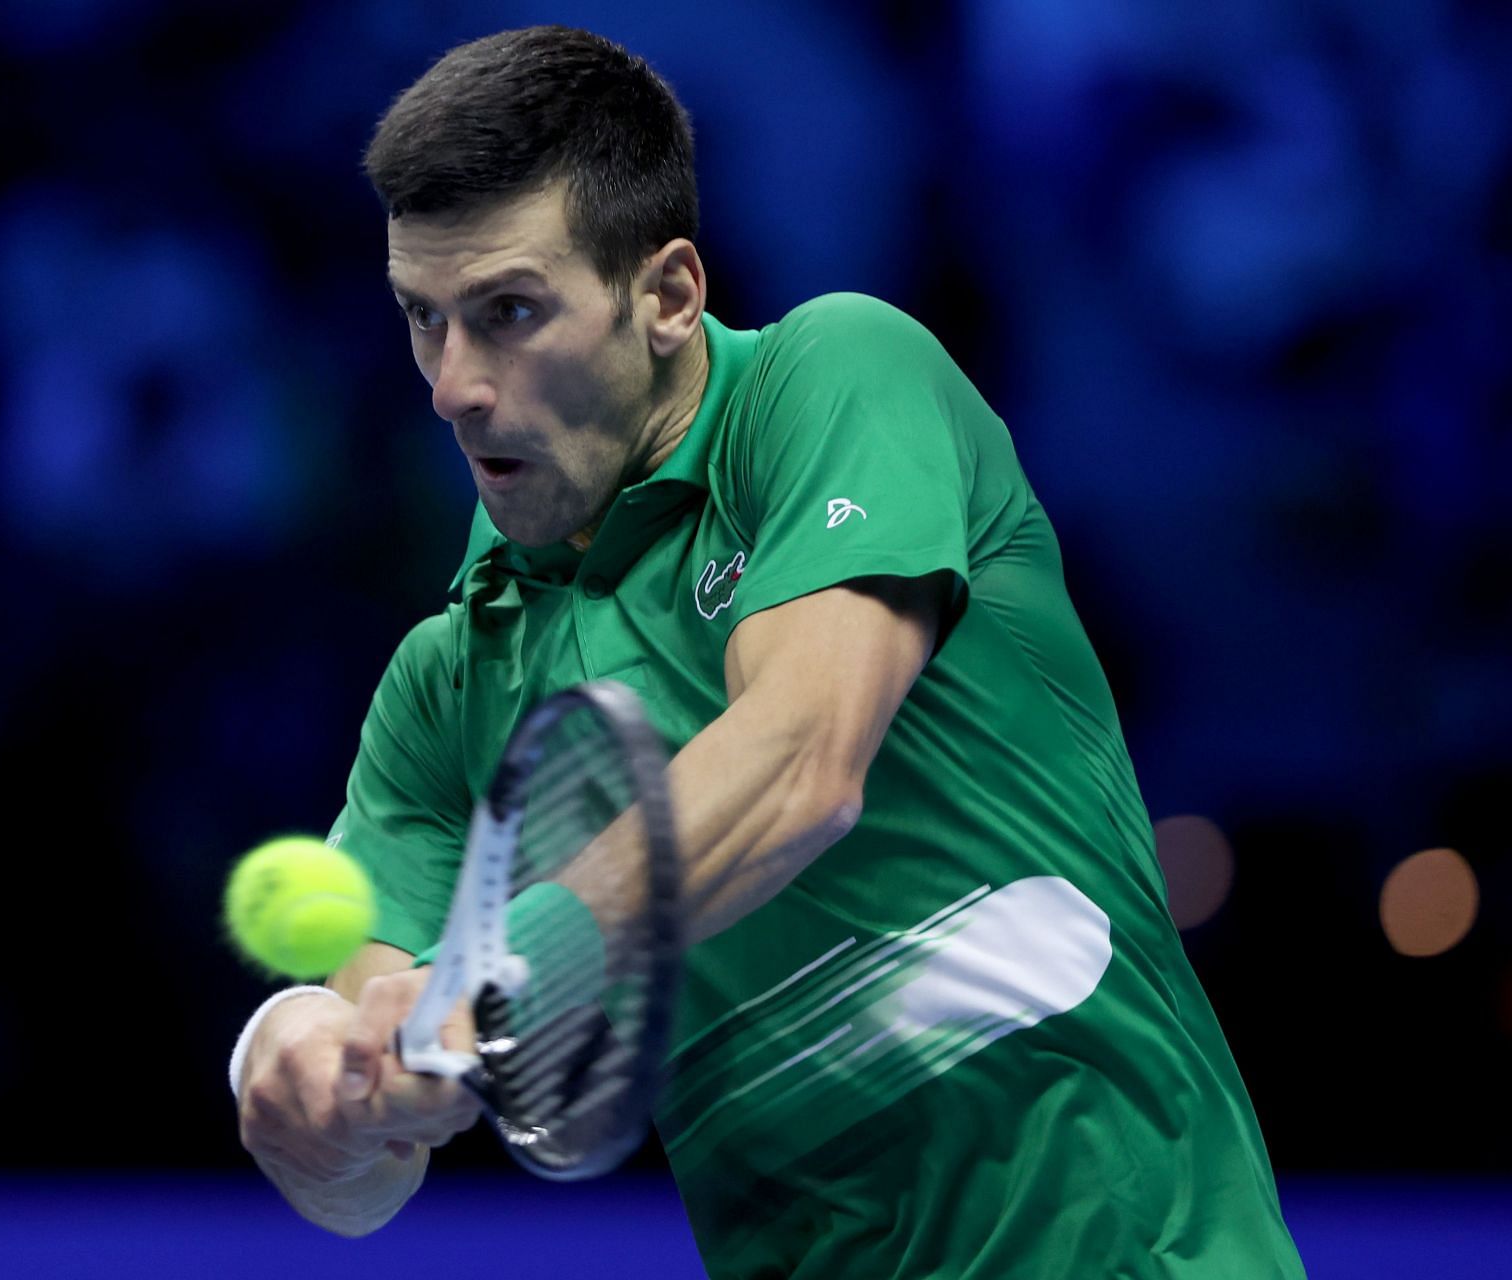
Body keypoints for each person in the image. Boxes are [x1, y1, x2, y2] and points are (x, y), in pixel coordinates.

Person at [230, 25, 1305, 1277]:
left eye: (510, 311)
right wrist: (306, 1072)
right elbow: (374, 1149)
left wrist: (508, 979)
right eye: (426, 320)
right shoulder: (446, 685)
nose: (454, 386)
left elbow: (801, 763)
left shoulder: (839, 377)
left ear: (670, 296)